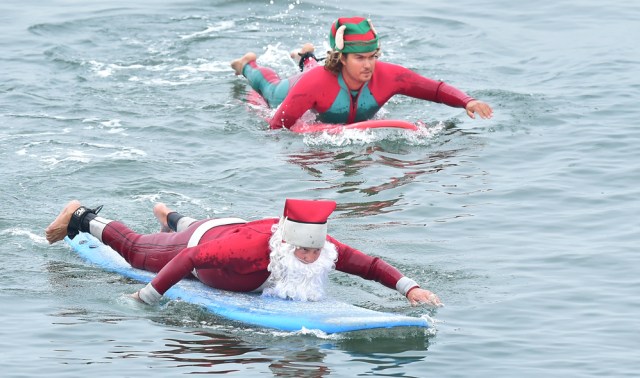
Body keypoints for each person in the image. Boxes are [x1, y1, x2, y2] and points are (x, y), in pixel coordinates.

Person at [45, 198, 443, 307]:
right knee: (135, 252)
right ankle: (80, 215)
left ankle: (171, 216)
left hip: (231, 227)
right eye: (301, 251)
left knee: (177, 239)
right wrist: (146, 296)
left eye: (314, 251)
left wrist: (411, 289)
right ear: (286, 244)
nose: (309, 258)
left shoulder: (323, 246)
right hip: (203, 242)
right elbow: (189, 260)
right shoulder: (248, 254)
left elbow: (369, 265)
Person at [230, 16, 493, 130]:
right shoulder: (314, 83)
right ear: (341, 57)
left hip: (323, 78)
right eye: (359, 58)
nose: (368, 65)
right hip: (302, 86)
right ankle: (246, 65)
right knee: (271, 91)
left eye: (372, 57)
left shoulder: (389, 76)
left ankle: (304, 56)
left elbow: (434, 89)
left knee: (316, 72)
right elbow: (278, 128)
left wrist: (467, 101)